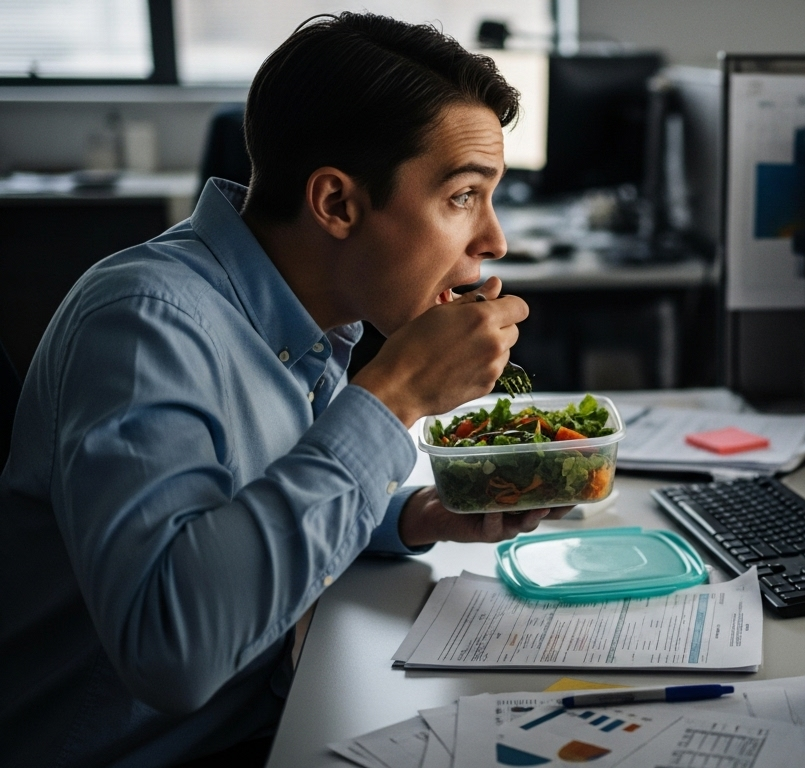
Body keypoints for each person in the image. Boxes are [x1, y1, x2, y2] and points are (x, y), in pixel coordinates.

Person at [0, 13, 566, 767]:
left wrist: (419, 514)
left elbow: (254, 506)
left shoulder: (307, 318)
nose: (494, 240)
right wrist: (392, 397)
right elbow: (175, 650)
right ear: (336, 204)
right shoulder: (144, 326)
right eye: (464, 195)